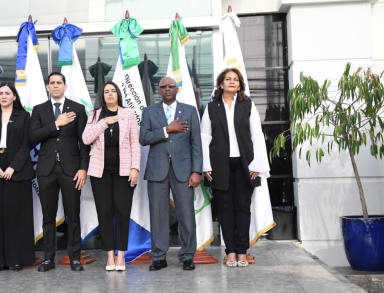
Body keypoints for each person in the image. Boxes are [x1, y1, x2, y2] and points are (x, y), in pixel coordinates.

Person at [201, 68, 270, 267]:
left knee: (242, 207)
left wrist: (257, 163)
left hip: (245, 164)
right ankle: (230, 251)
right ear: (221, 84)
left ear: (240, 84)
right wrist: (205, 165)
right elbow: (205, 138)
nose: (232, 82)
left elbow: (257, 136)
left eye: (235, 79)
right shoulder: (212, 107)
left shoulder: (247, 105)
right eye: (228, 79)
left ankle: (242, 251)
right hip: (218, 164)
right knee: (224, 209)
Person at [140, 76, 202, 271]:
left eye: (171, 86)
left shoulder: (190, 111)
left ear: (177, 90)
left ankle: (187, 256)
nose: (167, 89)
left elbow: (196, 144)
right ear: (159, 91)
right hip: (157, 170)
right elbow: (144, 138)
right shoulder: (149, 112)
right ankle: (159, 256)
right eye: (163, 87)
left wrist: (196, 171)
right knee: (158, 215)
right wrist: (167, 129)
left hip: (183, 171)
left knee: (186, 214)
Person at [29, 72, 89, 272]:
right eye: (52, 83)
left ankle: (74, 258)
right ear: (47, 87)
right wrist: (56, 124)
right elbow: (33, 136)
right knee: (48, 216)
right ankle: (48, 258)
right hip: (46, 170)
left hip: (71, 170)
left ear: (65, 86)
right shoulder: (39, 110)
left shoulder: (78, 109)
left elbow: (84, 142)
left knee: (73, 215)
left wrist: (83, 168)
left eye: (59, 83)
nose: (55, 86)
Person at [82, 81, 140, 271]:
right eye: (106, 91)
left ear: (118, 94)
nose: (109, 94)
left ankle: (121, 254)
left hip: (124, 171)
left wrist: (135, 168)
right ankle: (109, 255)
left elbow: (134, 144)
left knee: (122, 212)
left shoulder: (128, 114)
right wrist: (103, 123)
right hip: (100, 172)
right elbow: (86, 138)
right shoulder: (95, 114)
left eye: (113, 91)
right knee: (105, 212)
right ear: (102, 95)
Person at [0, 82, 35, 272]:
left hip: (17, 173)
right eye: (0, 93)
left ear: (14, 97)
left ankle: (16, 259)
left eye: (7, 93)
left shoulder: (24, 116)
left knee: (16, 217)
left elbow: (27, 144)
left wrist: (13, 167)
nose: (3, 96)